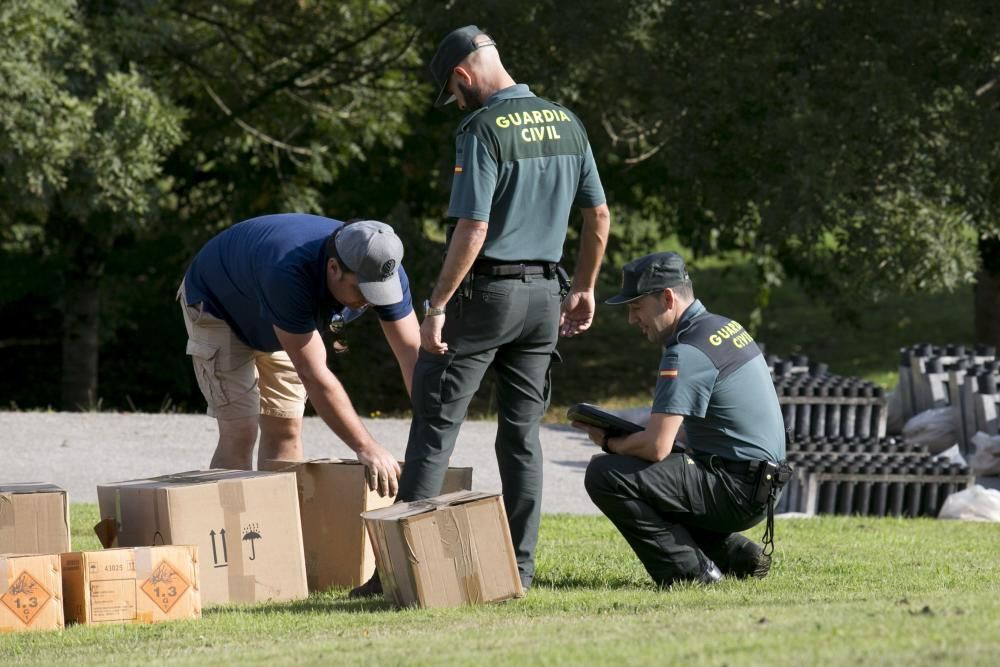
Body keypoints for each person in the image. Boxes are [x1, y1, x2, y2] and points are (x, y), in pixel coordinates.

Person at [351, 24, 610, 597]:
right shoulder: (568, 121)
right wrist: (585, 286)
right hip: (546, 295)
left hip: (486, 296)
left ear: (464, 75)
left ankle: (401, 571)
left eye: (453, 90)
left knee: (436, 422)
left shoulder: (483, 129)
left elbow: (474, 227)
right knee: (521, 436)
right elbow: (599, 218)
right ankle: (518, 570)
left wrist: (437, 303)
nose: (456, 102)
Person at [575, 251, 786, 586]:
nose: (632, 319)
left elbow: (657, 446)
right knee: (660, 474)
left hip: (736, 490)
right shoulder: (726, 327)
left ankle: (691, 573)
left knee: (606, 474)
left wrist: (611, 442)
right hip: (762, 487)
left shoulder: (686, 351)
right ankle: (736, 554)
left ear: (668, 298)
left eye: (636, 307)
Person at [178, 214, 419, 496]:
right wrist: (366, 447)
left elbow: (412, 355)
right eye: (362, 290)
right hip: (219, 308)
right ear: (333, 268)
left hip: (285, 323)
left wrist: (431, 439)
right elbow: (314, 374)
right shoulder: (287, 270)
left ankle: (279, 530)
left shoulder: (382, 268)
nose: (370, 301)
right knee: (241, 430)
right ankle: (228, 534)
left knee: (286, 428)